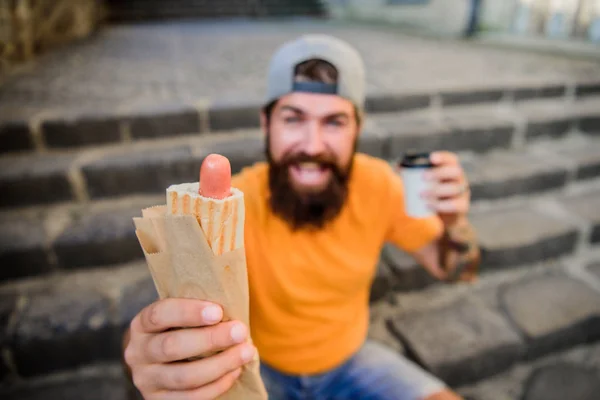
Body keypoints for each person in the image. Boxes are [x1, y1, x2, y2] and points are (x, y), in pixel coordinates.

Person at [122, 34, 480, 400]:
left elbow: (453, 267)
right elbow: (173, 315)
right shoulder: (229, 209)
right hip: (254, 368)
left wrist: (454, 223)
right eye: (293, 119)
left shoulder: (380, 187)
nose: (312, 145)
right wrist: (154, 353)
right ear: (266, 123)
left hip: (351, 363)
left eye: (335, 123)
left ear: (358, 127)